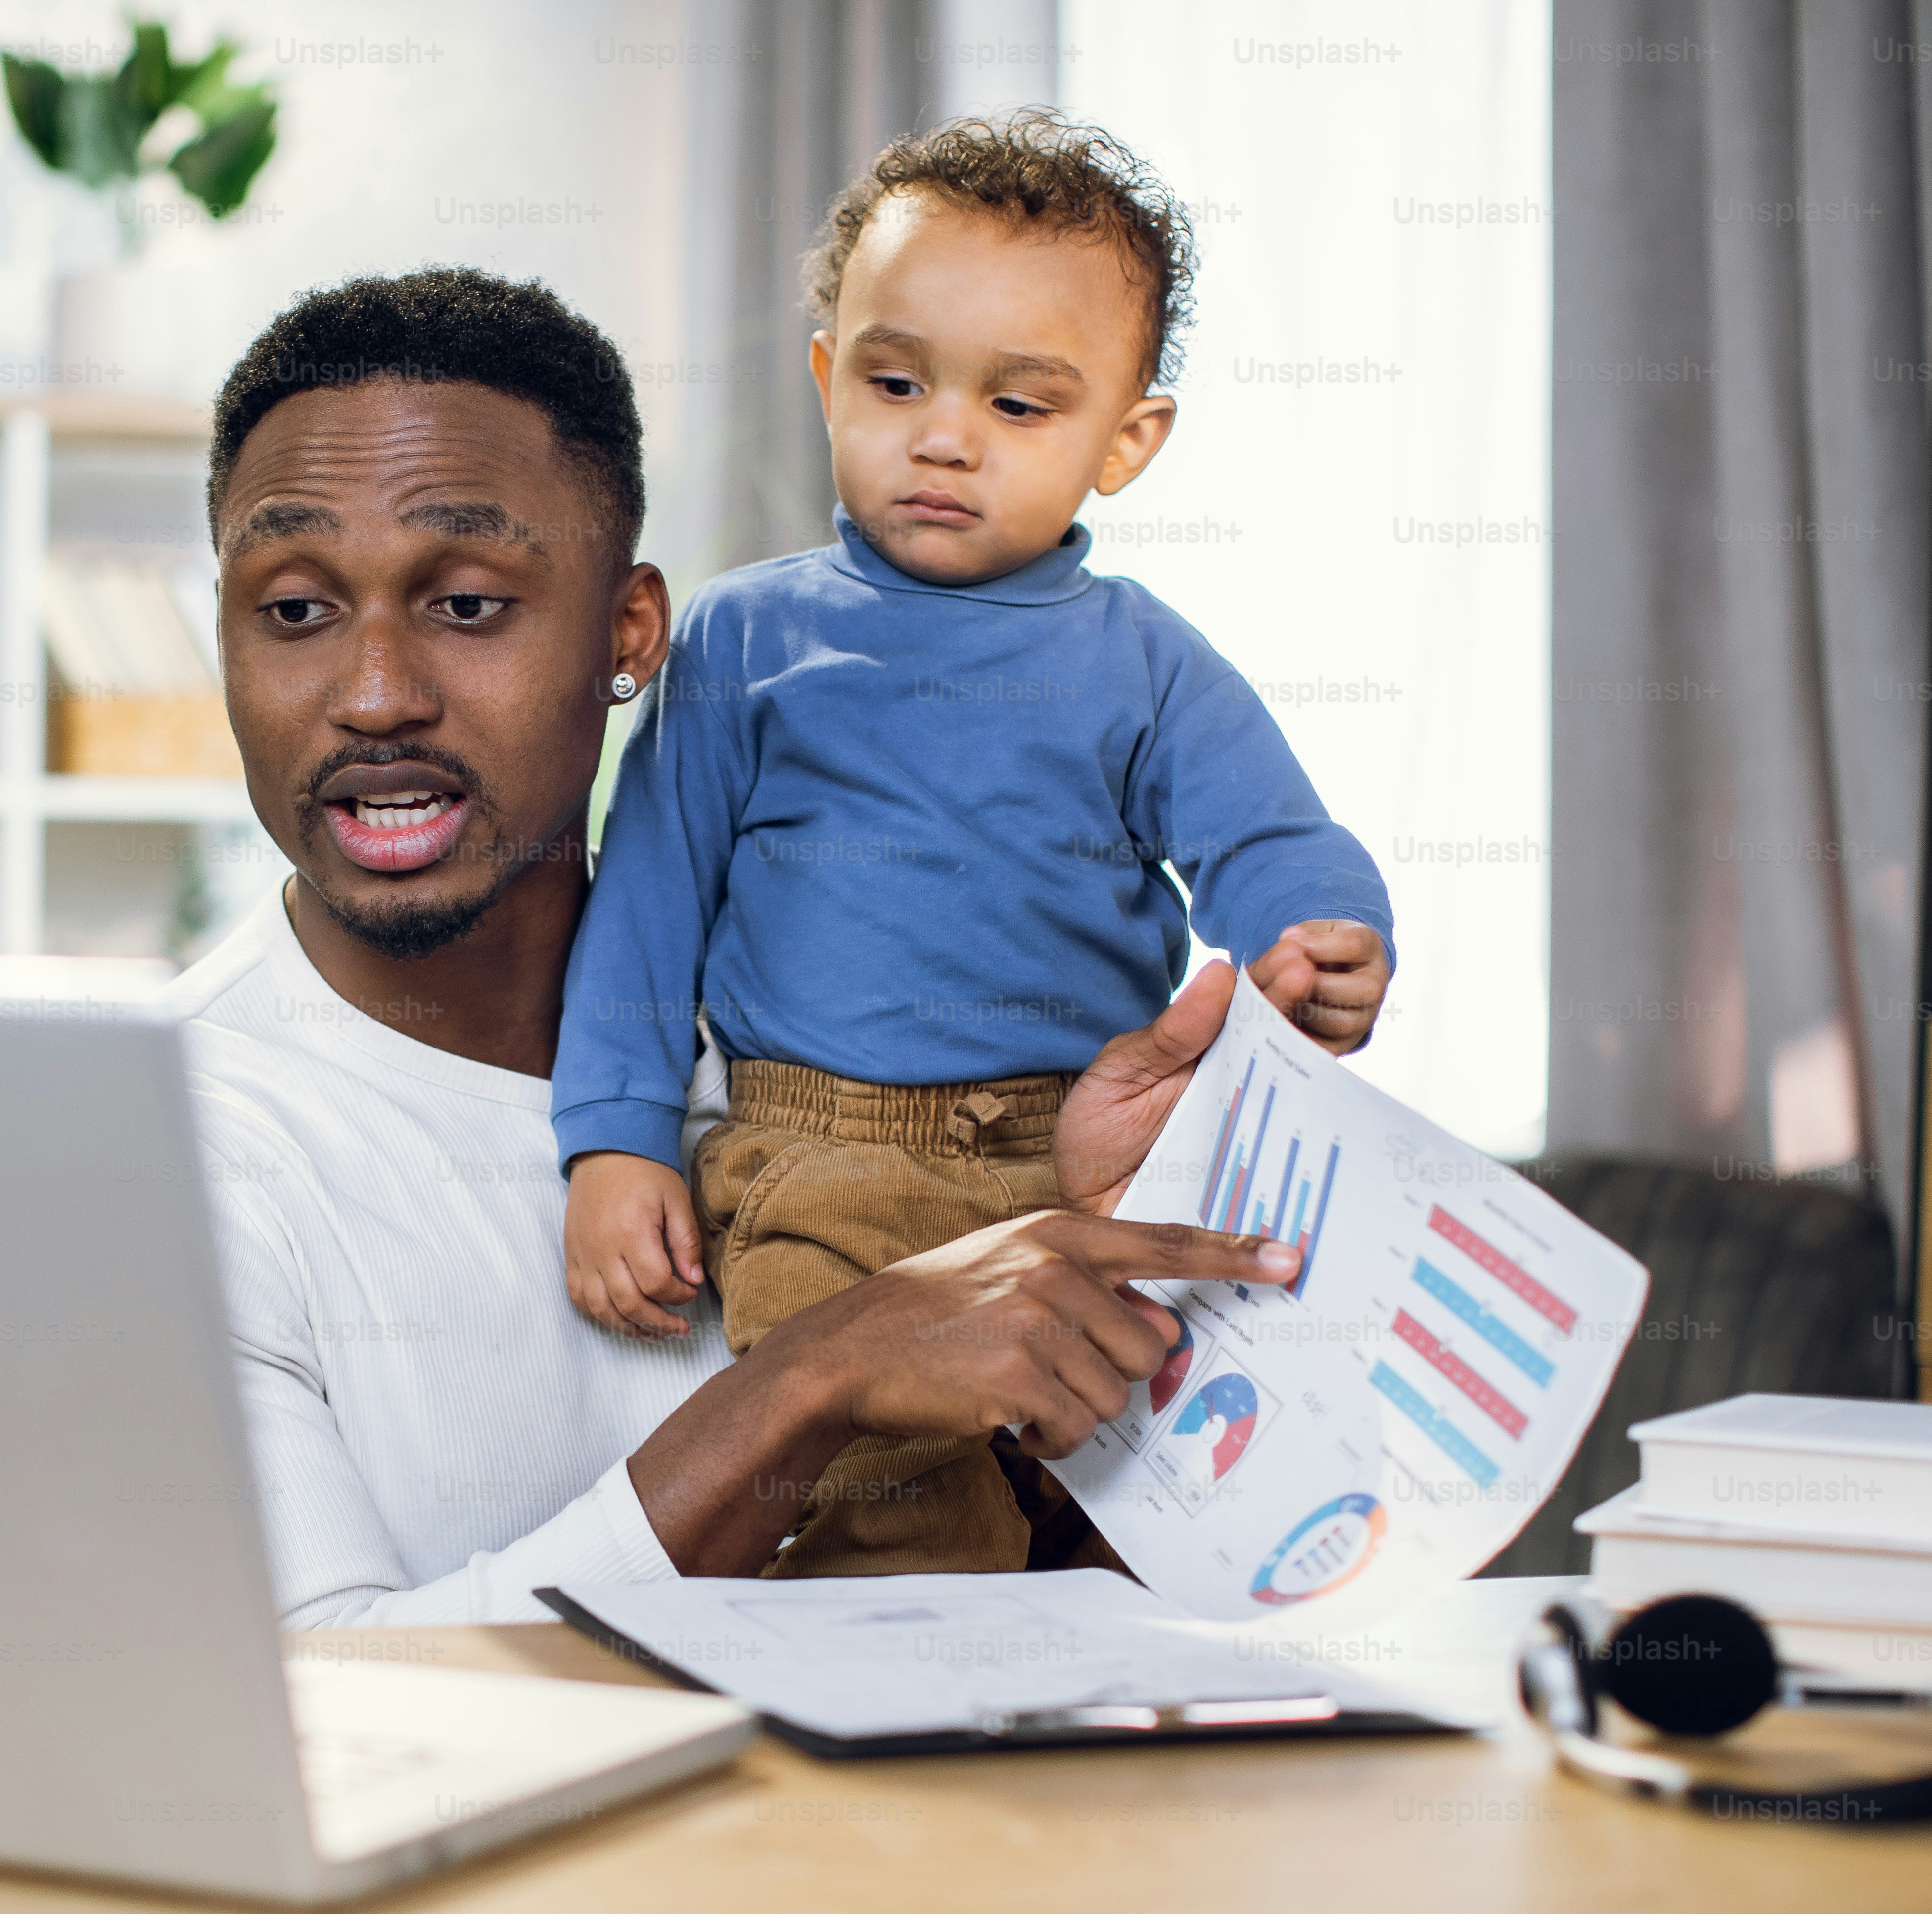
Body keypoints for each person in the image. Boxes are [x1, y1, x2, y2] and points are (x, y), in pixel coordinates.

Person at [166, 265, 1296, 1630]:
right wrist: (813, 1380)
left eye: (466, 604)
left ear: (629, 633)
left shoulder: (845, 1029)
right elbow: (318, 1711)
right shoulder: (169, 1151)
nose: (376, 695)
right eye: (293, 609)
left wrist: (1103, 1266)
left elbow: (1158, 1645)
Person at [552, 111, 1395, 1580]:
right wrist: (613, 1141)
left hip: (1090, 1166)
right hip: (825, 1171)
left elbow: (1270, 841)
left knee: (1140, 1520)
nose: (941, 435)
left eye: (1020, 407)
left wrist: (1316, 929)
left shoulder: (1145, 665)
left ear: (1123, 441)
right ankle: (879, 1763)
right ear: (828, 379)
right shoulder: (748, 638)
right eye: (894, 381)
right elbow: (645, 903)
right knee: (899, 1517)